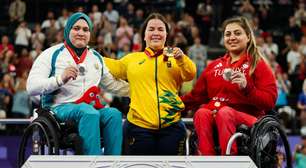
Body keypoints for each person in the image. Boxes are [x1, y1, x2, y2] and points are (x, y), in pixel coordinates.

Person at [26, 12, 129, 155]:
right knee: (88, 112)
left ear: (90, 34)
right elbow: (31, 87)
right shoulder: (51, 54)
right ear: (68, 30)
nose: (81, 33)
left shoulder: (96, 58)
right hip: (59, 109)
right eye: (76, 28)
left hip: (89, 109)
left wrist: (136, 90)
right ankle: (93, 163)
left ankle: (113, 162)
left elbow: (112, 84)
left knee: (114, 114)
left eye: (85, 30)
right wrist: (59, 79)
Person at [181, 16, 277, 155]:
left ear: (248, 37)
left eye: (237, 33)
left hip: (249, 120)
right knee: (201, 113)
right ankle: (207, 161)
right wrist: (174, 104)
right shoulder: (213, 66)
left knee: (225, 113)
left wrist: (247, 88)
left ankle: (229, 161)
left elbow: (269, 101)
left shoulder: (258, 64)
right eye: (228, 34)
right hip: (215, 114)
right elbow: (195, 97)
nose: (232, 37)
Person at [105, 13, 196, 155]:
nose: (156, 33)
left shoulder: (176, 58)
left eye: (160, 29)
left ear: (166, 34)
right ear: (144, 35)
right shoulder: (132, 59)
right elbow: (110, 66)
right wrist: (88, 53)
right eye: (151, 29)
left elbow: (190, 74)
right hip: (137, 127)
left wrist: (182, 58)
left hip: (171, 127)